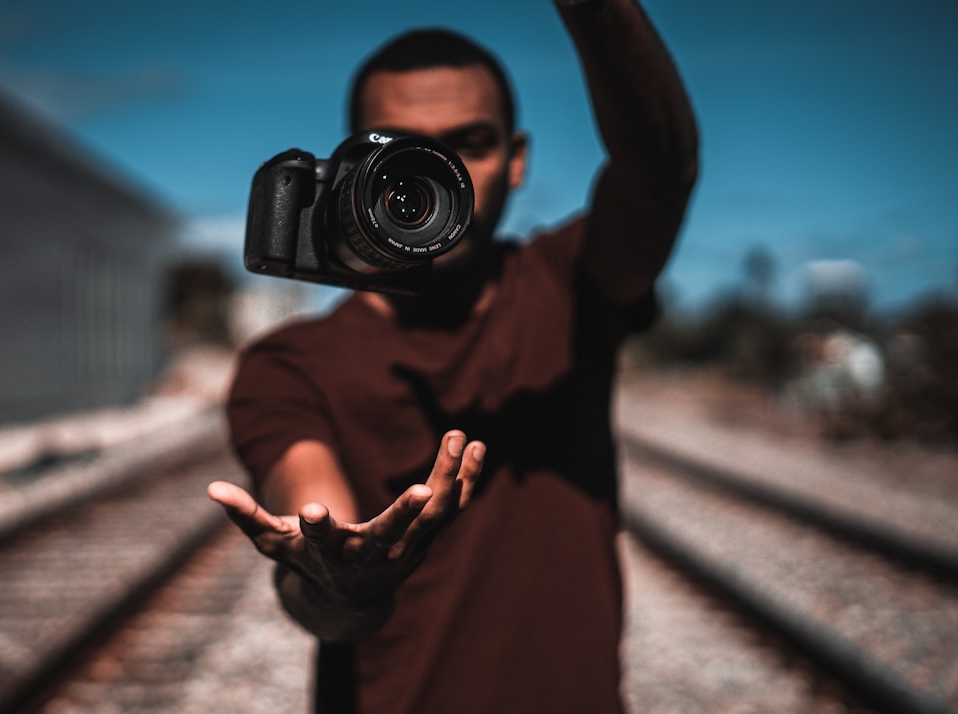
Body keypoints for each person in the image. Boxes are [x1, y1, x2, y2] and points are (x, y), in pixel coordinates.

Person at [208, 0, 698, 711]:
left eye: (469, 143)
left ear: (518, 160)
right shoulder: (289, 363)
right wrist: (342, 584)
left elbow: (660, 170)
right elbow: (325, 555)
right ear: (354, 164)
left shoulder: (570, 284)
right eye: (404, 152)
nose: (439, 181)